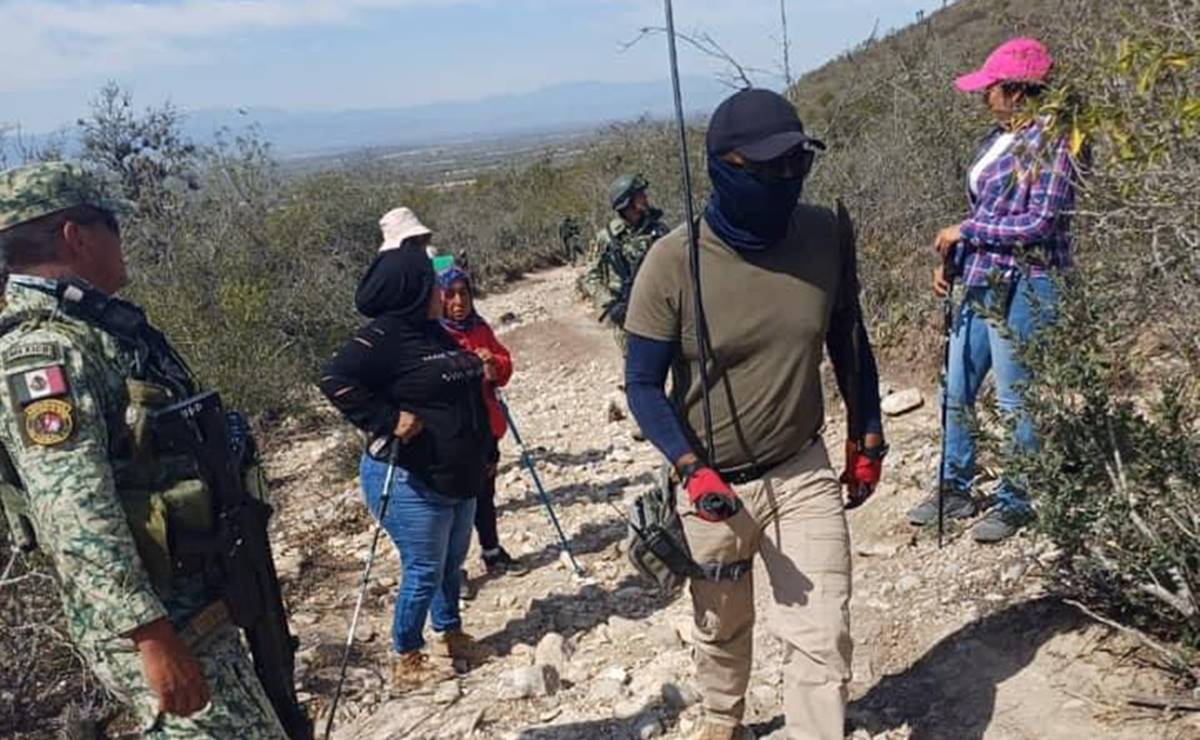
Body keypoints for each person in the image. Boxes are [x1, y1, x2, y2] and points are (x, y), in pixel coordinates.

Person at [624, 89, 887, 740]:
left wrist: (868, 432)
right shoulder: (671, 264)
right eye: (765, 169)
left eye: (795, 164)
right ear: (720, 168)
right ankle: (722, 720)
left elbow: (849, 339)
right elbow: (642, 385)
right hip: (712, 484)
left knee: (823, 632)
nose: (783, 181)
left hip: (801, 469)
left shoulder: (825, 234)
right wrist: (690, 469)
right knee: (722, 626)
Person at [0, 162, 289, 738]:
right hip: (162, 625)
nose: (121, 240)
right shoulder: (44, 352)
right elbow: (74, 513)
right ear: (74, 236)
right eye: (111, 225)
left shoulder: (96, 330)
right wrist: (149, 637)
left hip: (193, 607)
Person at [906, 37, 1076, 543]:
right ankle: (954, 483)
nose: (985, 98)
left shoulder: (1055, 142)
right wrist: (955, 259)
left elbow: (1041, 222)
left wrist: (969, 235)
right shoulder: (996, 139)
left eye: (992, 89)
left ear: (1018, 91)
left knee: (1013, 396)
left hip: (1027, 282)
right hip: (981, 277)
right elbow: (986, 213)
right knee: (957, 384)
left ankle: (1016, 497)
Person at [318, 207, 492, 689]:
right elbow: (333, 379)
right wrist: (388, 420)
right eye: (434, 285)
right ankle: (407, 654)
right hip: (411, 478)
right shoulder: (382, 337)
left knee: (451, 565)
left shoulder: (433, 331)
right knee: (423, 569)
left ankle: (451, 633)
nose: (445, 293)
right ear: (414, 289)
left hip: (457, 475)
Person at [437, 264, 524, 576]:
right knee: (454, 502)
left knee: (485, 493)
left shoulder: (479, 327)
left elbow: (504, 365)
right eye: (451, 295)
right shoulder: (435, 333)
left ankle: (492, 551)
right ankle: (451, 570)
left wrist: (492, 365)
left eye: (464, 293)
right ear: (439, 298)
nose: (459, 301)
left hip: (485, 427)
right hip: (452, 431)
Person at [581, 173, 671, 354]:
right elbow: (591, 277)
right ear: (627, 202)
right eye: (640, 195)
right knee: (638, 367)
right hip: (627, 313)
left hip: (662, 306)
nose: (646, 198)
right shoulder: (607, 238)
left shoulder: (659, 230)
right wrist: (610, 305)